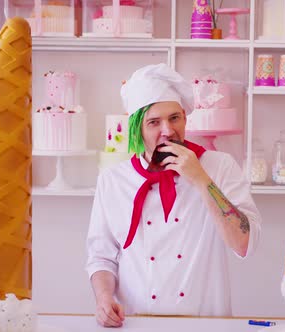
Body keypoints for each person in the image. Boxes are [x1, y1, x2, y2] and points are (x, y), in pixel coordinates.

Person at [86, 63, 262, 327]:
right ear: (137, 129)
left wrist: (201, 179)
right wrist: (103, 298)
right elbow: (101, 256)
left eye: (174, 118)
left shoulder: (220, 166)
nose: (167, 130)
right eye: (154, 122)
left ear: (185, 117)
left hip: (206, 324)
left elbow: (244, 243)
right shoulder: (113, 180)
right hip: (136, 323)